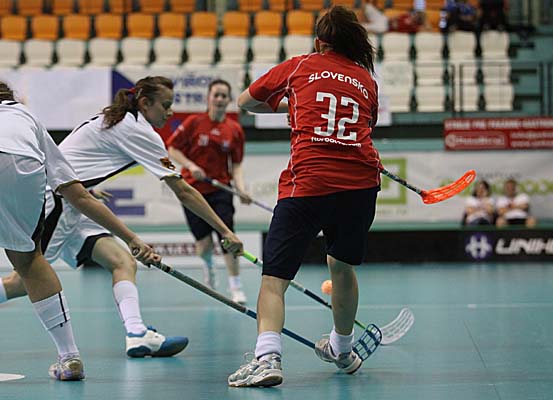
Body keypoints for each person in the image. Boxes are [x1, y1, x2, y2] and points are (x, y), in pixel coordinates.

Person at [0, 76, 244, 359]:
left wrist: (88, 188)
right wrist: (225, 231)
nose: (170, 112)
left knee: (122, 262)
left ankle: (136, 333)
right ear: (145, 103)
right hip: (58, 202)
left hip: (77, 201)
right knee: (22, 282)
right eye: (165, 105)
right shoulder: (137, 129)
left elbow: (72, 159)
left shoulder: (116, 119)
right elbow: (184, 191)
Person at [227, 6, 381, 387]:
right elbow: (365, 124)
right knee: (341, 267)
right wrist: (303, 106)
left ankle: (267, 358)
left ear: (318, 42)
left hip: (308, 184)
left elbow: (245, 101)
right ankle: (342, 350)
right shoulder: (366, 80)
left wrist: (290, 105)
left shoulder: (300, 65)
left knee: (274, 279)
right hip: (361, 186)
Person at [0, 81, 158, 380]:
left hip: (47, 192)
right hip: (25, 166)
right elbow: (79, 195)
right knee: (30, 262)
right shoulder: (25, 116)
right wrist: (132, 238)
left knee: (26, 273)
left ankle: (130, 332)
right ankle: (69, 357)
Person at [167, 79, 250, 304]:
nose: (220, 99)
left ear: (229, 100)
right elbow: (172, 148)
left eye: (224, 96)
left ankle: (235, 285)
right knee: (203, 245)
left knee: (228, 236)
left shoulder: (234, 130)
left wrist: (241, 189)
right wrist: (191, 166)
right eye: (216, 95)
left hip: (220, 190)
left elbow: (237, 165)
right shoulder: (194, 122)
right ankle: (209, 265)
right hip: (192, 191)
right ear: (208, 98)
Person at [360, 0, 432, 34]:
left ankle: (363, 25)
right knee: (368, 7)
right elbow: (396, 17)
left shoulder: (414, 27)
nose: (415, 15)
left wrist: (424, 19)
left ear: (419, 19)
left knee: (362, 27)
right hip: (385, 19)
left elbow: (429, 29)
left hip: (385, 28)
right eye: (416, 14)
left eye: (417, 16)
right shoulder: (407, 15)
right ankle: (365, 20)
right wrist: (393, 19)